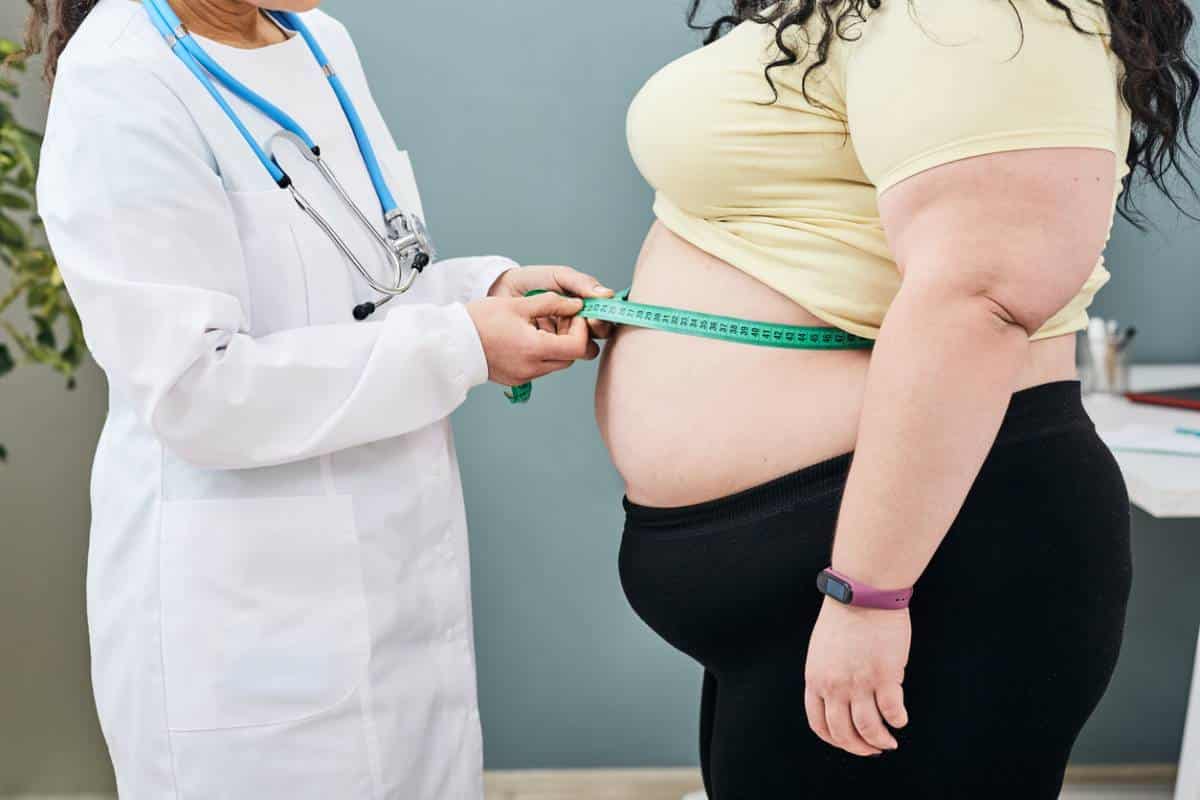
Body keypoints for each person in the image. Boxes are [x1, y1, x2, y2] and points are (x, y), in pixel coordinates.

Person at [596, 0, 1197, 797]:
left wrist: (869, 595)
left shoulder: (990, 14)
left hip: (930, 566)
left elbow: (981, 296)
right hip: (823, 579)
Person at [26, 0, 611, 796]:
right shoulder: (121, 75)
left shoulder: (319, 40)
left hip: (402, 595)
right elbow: (195, 390)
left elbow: (360, 294)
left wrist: (479, 295)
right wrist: (460, 343)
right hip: (248, 634)